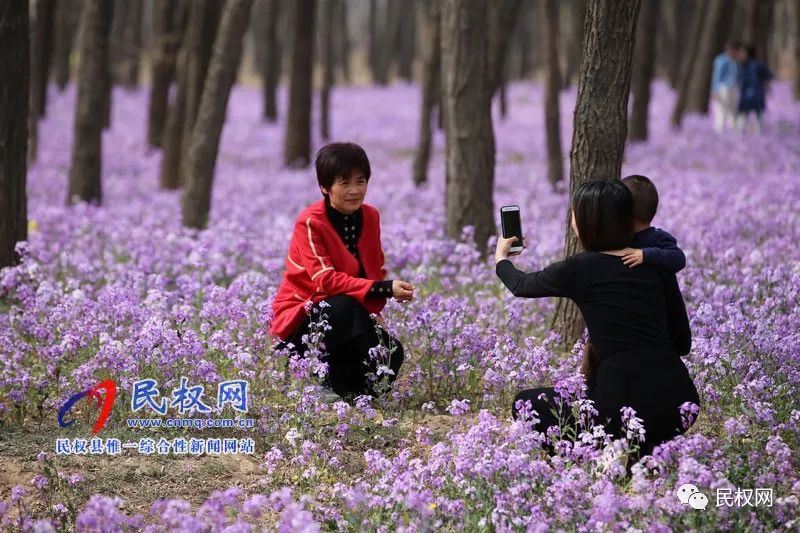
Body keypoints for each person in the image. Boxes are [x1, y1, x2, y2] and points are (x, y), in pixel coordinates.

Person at [496, 180, 700, 462]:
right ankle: (644, 450)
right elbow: (682, 342)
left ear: (585, 222)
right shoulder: (654, 265)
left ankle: (600, 455)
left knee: (526, 402)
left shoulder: (580, 267)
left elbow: (521, 285)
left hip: (620, 409)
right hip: (680, 405)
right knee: (612, 403)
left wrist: (501, 258)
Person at [270, 142, 414, 401]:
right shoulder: (310, 222)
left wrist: (373, 311)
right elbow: (325, 281)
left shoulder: (370, 217)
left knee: (392, 352)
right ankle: (305, 370)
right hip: (304, 321)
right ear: (325, 187)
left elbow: (373, 268)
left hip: (350, 320)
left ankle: (345, 392)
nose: (355, 191)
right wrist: (384, 289)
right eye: (344, 183)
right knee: (343, 307)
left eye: (360, 181)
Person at [582, 174, 687, 390]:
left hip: (659, 311)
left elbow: (678, 258)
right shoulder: (618, 238)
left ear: (623, 211)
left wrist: (646, 255)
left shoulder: (657, 238)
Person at [737, 44, 774, 133]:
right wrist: (767, 88)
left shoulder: (744, 65)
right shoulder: (758, 64)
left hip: (749, 93)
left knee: (744, 114)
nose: (741, 55)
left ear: (748, 53)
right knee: (758, 113)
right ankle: (757, 133)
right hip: (757, 93)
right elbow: (769, 77)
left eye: (743, 53)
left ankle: (739, 134)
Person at [710, 41, 743, 132]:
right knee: (721, 110)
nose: (737, 53)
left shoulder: (736, 62)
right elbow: (717, 76)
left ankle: (733, 131)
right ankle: (720, 130)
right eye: (736, 51)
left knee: (732, 110)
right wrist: (714, 90)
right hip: (723, 88)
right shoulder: (721, 60)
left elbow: (739, 75)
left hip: (734, 88)